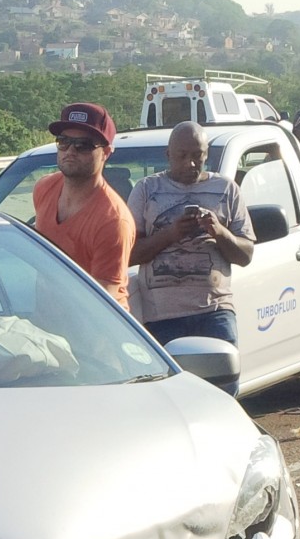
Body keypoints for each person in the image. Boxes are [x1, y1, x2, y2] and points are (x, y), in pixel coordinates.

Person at [125, 121, 254, 393]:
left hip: (215, 312)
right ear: (167, 155)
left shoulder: (226, 189)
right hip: (162, 316)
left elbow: (245, 255)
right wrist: (171, 234)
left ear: (207, 153)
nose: (191, 164)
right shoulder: (146, 190)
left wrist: (219, 232)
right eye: (182, 155)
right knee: (169, 396)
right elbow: (128, 255)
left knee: (224, 392)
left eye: (198, 155)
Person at [33, 103, 136, 308]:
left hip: (96, 326)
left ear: (106, 152)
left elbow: (102, 301)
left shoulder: (113, 221)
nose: (70, 150)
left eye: (83, 145)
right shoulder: (44, 188)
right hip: (47, 319)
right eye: (64, 142)